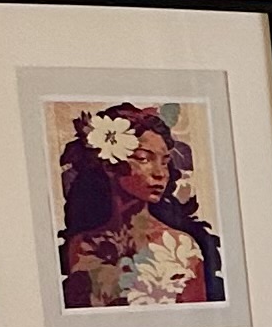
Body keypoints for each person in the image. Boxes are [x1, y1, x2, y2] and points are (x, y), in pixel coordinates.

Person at [55, 104, 225, 308]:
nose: (160, 173)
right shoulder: (82, 246)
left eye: (164, 161)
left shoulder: (180, 246)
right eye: (144, 158)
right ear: (109, 166)